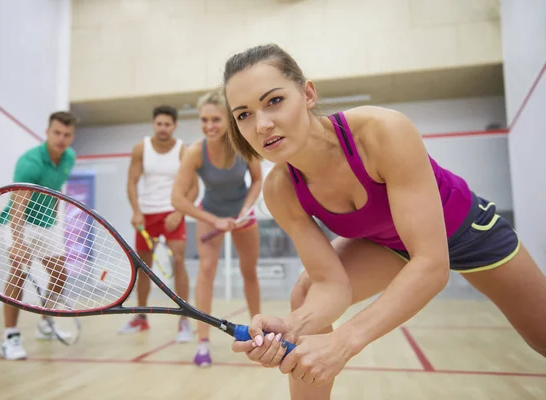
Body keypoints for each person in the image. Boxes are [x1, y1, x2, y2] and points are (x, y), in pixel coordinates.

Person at [222, 44, 546, 399]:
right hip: (390, 246)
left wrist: (344, 341)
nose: (262, 124)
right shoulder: (281, 189)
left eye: (273, 101)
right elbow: (332, 284)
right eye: (243, 115)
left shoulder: (382, 131)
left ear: (308, 94)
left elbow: (432, 265)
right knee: (305, 294)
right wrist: (291, 328)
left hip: (469, 232)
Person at [171, 90, 263, 367]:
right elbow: (177, 199)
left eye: (216, 119)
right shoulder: (195, 152)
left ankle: (260, 333)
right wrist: (214, 221)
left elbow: (257, 180)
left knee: (249, 272)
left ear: (229, 120)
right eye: (204, 120)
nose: (209, 126)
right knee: (206, 271)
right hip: (210, 212)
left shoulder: (244, 144)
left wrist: (246, 209)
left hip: (242, 214)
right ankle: (202, 343)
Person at [0, 111, 78, 360]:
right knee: (19, 271)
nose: (61, 139)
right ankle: (9, 337)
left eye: (67, 135)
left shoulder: (69, 158)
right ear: (47, 132)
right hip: (18, 222)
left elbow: (55, 192)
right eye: (57, 133)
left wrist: (55, 225)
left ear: (72, 136)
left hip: (46, 224)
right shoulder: (30, 162)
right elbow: (18, 205)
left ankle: (45, 324)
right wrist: (18, 242)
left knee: (59, 274)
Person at [119, 105, 199, 342]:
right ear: (153, 124)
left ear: (174, 126)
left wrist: (179, 212)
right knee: (143, 268)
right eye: (159, 124)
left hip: (172, 214)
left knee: (178, 261)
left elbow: (194, 187)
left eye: (167, 124)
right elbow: (132, 182)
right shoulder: (141, 149)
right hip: (147, 216)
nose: (163, 128)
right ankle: (141, 318)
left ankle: (184, 321)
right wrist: (136, 211)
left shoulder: (183, 150)